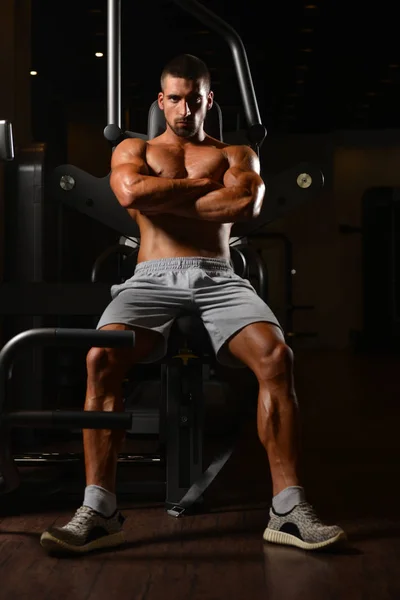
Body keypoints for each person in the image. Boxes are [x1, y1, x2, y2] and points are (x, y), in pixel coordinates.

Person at [40, 54, 346, 555]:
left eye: (194, 98)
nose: (184, 109)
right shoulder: (134, 148)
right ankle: (99, 510)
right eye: (175, 99)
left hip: (219, 275)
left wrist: (162, 197)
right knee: (100, 358)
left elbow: (244, 204)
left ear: (209, 99)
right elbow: (130, 192)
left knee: (276, 357)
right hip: (150, 277)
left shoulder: (236, 155)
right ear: (162, 101)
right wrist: (197, 189)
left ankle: (288, 509)